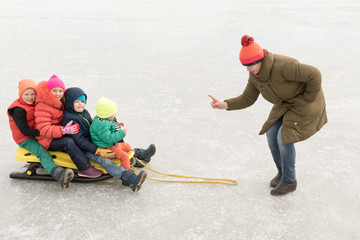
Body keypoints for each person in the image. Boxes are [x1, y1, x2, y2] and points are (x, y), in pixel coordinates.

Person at [209, 35, 327, 196]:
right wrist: (224, 104)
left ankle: (289, 180)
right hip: (286, 103)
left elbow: (314, 74)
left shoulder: (283, 66)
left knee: (284, 137)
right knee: (271, 132)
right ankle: (283, 172)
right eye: (245, 65)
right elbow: (248, 98)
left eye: (250, 65)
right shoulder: (255, 75)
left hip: (306, 102)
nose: (248, 69)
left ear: (260, 60)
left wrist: (307, 98)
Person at [61, 87, 148, 191]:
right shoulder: (69, 118)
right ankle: (129, 179)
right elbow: (79, 141)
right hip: (84, 148)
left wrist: (110, 125)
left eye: (82, 101)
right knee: (104, 161)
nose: (80, 104)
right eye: (77, 101)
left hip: (93, 141)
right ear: (70, 102)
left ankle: (138, 154)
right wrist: (96, 150)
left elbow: (93, 125)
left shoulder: (84, 112)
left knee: (117, 146)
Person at [7, 79, 74, 189]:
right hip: (25, 138)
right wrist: (43, 132)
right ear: (21, 95)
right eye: (26, 94)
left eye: (33, 94)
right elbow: (24, 130)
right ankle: (58, 174)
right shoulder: (18, 110)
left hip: (36, 132)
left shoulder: (36, 102)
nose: (30, 97)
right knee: (42, 152)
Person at [34, 75, 103, 178]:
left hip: (61, 133)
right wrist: (64, 130)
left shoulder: (62, 101)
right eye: (54, 90)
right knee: (68, 142)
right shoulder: (43, 106)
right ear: (49, 91)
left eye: (60, 91)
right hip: (47, 139)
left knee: (77, 136)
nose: (58, 94)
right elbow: (44, 130)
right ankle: (84, 168)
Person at [90, 97, 156, 170]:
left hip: (112, 144)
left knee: (127, 146)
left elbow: (110, 125)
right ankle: (128, 173)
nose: (115, 114)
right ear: (106, 114)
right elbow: (108, 138)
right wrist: (121, 133)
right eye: (113, 113)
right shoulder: (101, 125)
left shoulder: (102, 119)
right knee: (124, 156)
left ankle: (137, 159)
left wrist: (117, 125)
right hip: (108, 148)